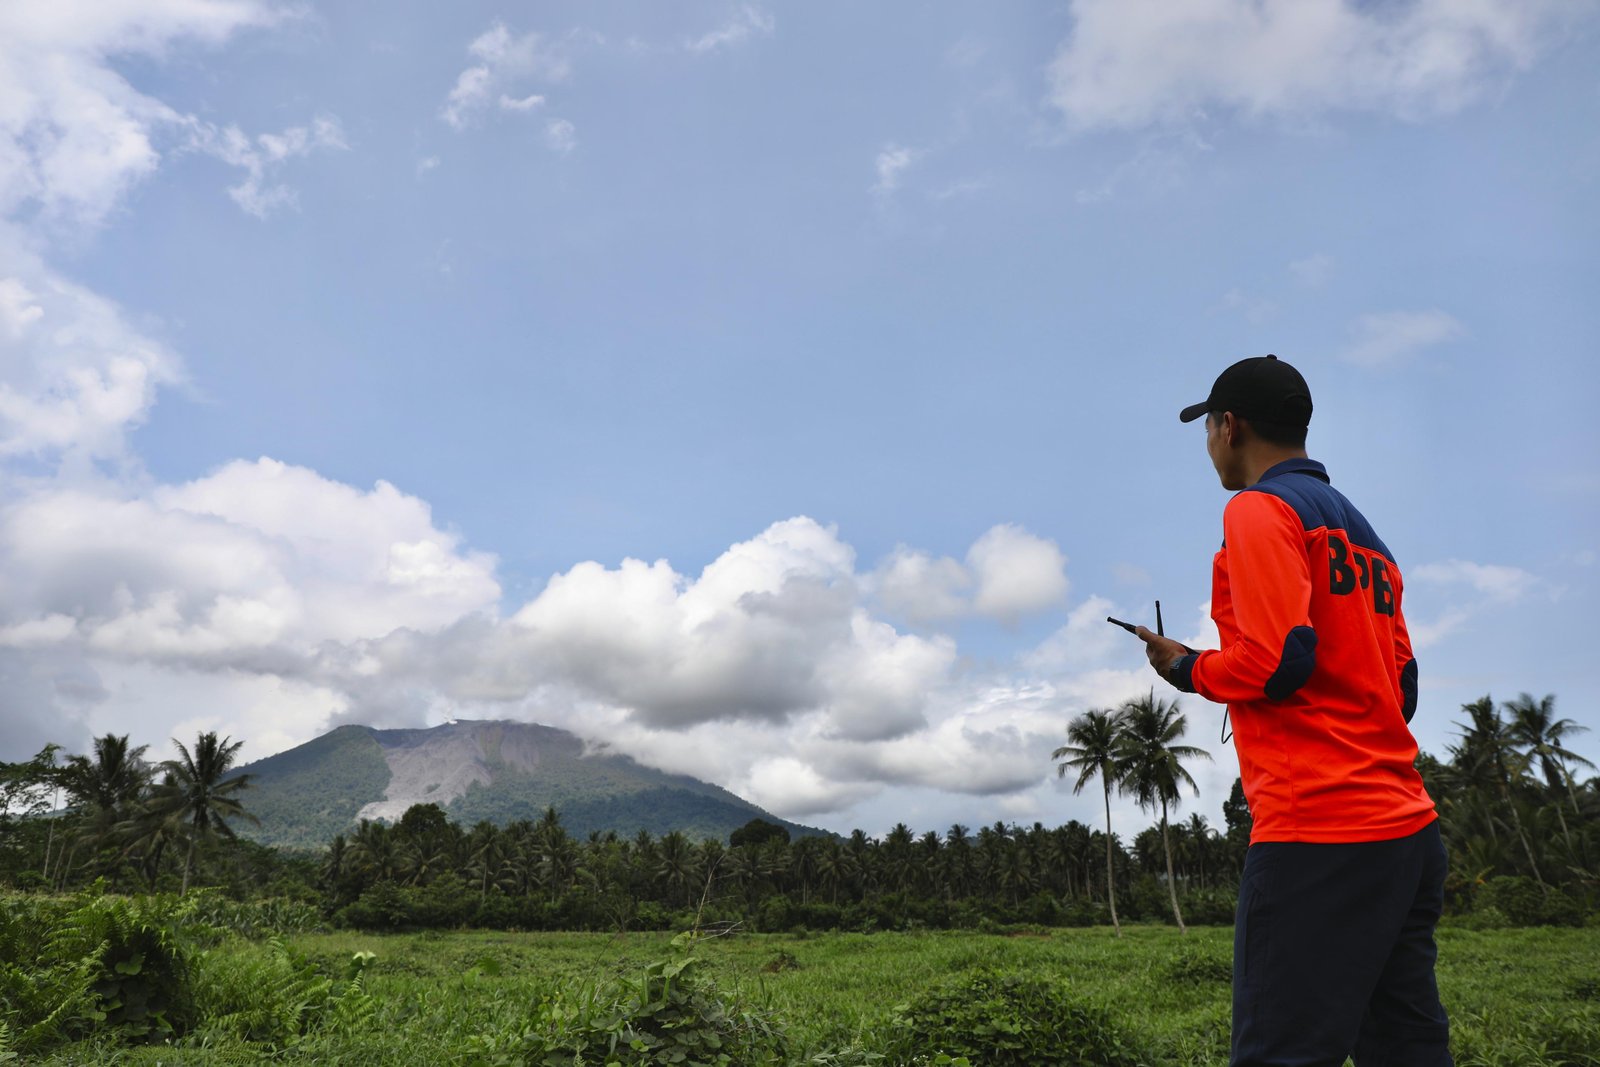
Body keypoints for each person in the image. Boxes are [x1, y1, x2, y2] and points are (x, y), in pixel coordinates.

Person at [1135, 354, 1452, 1066]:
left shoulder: (1257, 509)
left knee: (1280, 1052)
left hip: (1319, 835)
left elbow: (1279, 661)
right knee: (1406, 1048)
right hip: (1407, 830)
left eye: (1209, 428)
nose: (1211, 444)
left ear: (1229, 426)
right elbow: (1401, 686)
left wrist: (1186, 667)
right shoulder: (1369, 540)